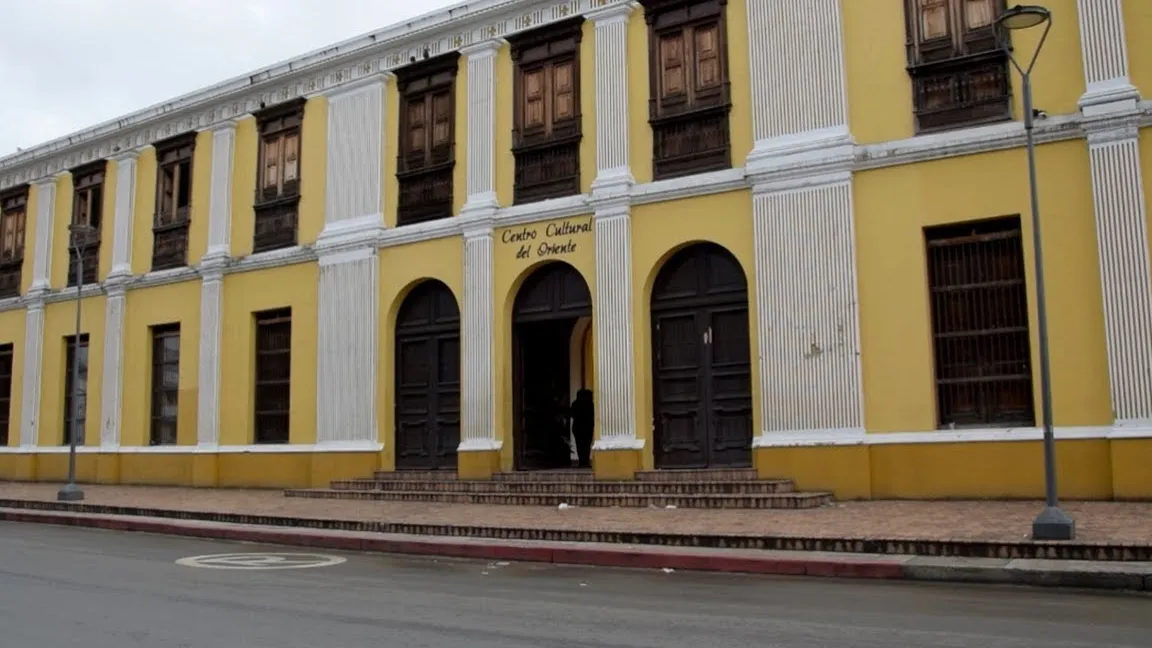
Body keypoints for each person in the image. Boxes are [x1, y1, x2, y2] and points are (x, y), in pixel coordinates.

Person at [570, 389, 594, 469]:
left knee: (579, 445)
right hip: (587, 427)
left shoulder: (575, 404)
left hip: (577, 427)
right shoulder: (590, 404)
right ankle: (586, 462)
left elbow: (572, 415)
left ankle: (581, 462)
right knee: (586, 445)